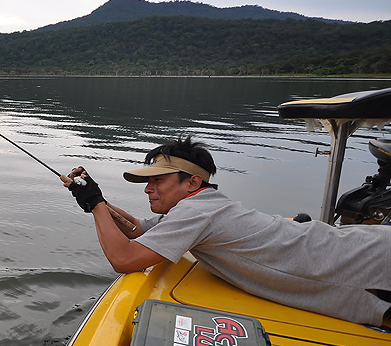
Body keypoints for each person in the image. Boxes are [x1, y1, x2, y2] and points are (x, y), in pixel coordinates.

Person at [61, 135, 391, 326]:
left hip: (368, 263)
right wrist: (96, 197)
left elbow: (124, 256)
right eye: (148, 182)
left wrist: (95, 206)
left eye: (157, 180)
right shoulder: (199, 206)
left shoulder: (196, 212)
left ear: (191, 182)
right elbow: (135, 230)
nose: (148, 189)